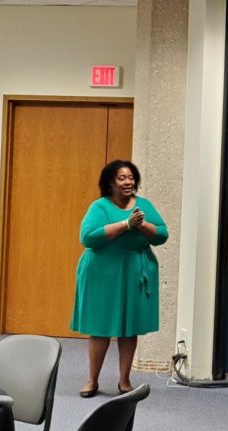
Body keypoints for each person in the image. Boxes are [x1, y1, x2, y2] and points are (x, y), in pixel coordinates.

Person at [71, 160, 168, 398]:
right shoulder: (100, 206)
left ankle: (124, 381)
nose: (128, 182)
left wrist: (141, 224)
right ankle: (92, 380)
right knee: (100, 328)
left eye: (131, 177)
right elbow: (88, 237)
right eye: (122, 178)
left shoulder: (144, 205)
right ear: (110, 183)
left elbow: (162, 235)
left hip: (134, 271)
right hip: (102, 274)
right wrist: (126, 224)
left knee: (129, 328)